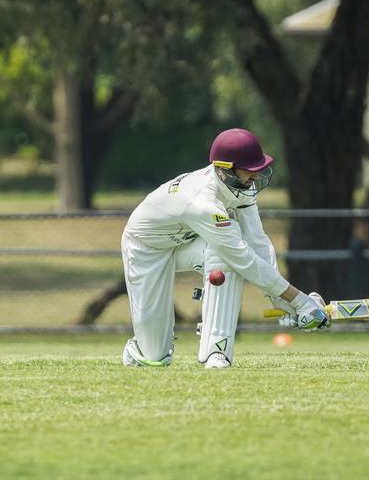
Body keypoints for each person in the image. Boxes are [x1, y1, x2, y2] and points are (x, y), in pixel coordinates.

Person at [121, 128, 330, 369]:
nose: (255, 177)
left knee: (223, 256)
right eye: (249, 171)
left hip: (185, 242)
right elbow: (244, 258)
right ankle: (137, 350)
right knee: (154, 357)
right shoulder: (202, 202)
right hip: (146, 249)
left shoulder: (241, 187)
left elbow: (258, 242)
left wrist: (282, 301)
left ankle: (216, 352)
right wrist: (300, 301)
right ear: (224, 169)